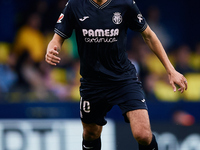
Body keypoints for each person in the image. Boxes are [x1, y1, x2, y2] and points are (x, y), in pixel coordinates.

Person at [45, 0, 188, 149]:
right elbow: (57, 38)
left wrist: (171, 70)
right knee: (90, 134)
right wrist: (52, 48)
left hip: (123, 79)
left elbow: (149, 36)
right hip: (93, 82)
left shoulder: (125, 4)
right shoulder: (75, 5)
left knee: (143, 135)